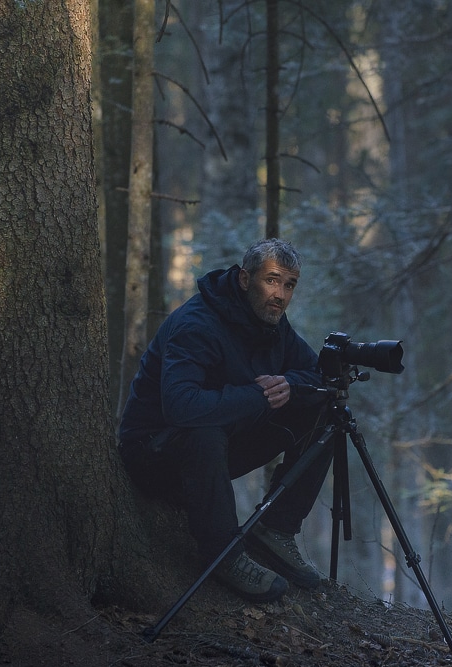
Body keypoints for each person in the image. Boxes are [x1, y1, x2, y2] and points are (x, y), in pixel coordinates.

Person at [118, 238, 332, 603]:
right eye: (272, 280)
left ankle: (275, 530)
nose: (280, 294)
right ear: (246, 279)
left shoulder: (273, 323)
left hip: (214, 448)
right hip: (153, 455)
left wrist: (291, 385)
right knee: (203, 431)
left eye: (289, 284)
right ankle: (223, 554)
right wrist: (258, 395)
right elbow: (181, 407)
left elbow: (318, 374)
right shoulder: (196, 324)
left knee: (324, 412)